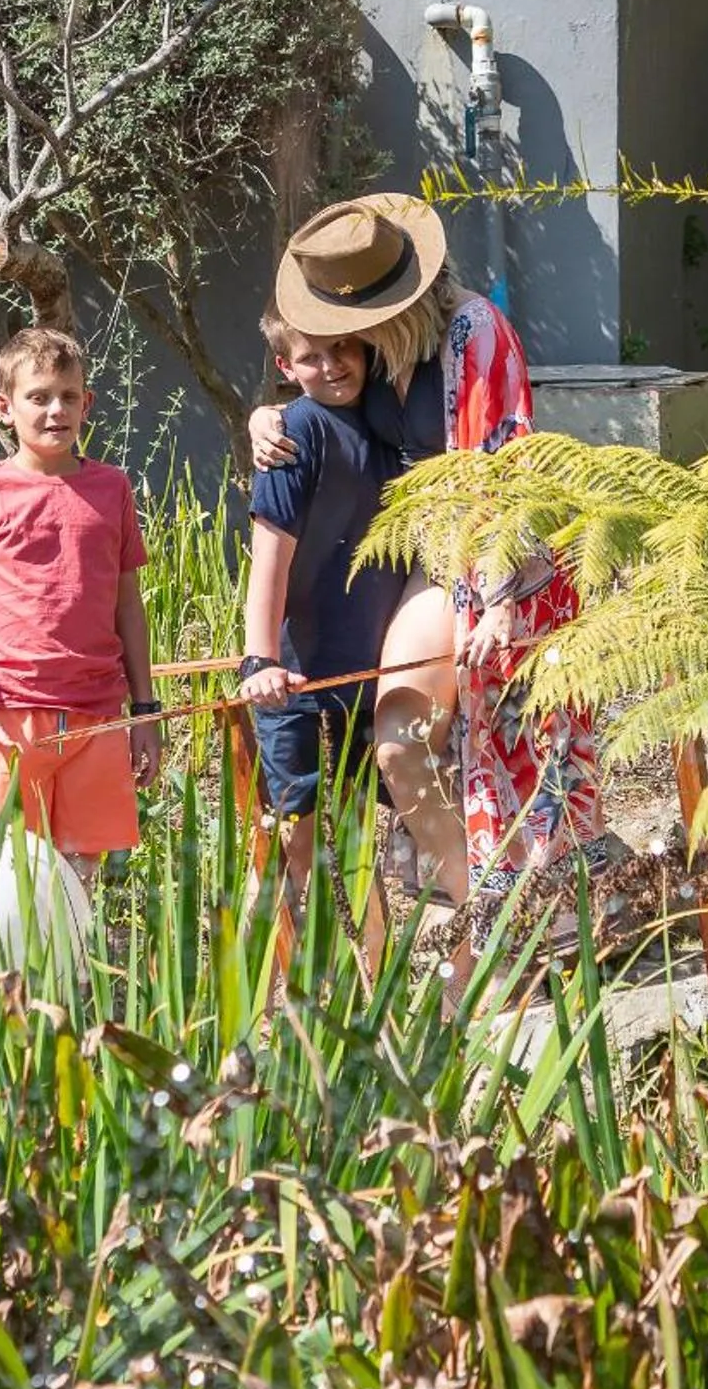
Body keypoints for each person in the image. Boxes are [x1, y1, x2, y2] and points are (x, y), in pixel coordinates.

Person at [245, 193, 598, 921]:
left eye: (350, 325)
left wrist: (499, 598)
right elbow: (320, 402)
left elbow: (506, 463)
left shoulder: (471, 330)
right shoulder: (377, 348)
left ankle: (504, 928)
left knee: (434, 748)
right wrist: (265, 413)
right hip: (428, 565)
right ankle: (486, 919)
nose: (343, 340)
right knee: (401, 746)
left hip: (497, 564)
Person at [0, 326, 162, 879]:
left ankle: (75, 968)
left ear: (88, 403)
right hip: (8, 716)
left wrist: (145, 711)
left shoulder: (113, 490)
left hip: (97, 716)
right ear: (5, 407)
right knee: (2, 876)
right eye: (39, 397)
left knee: (79, 875)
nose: (56, 409)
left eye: (69, 395)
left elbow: (128, 606)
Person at [238, 309, 408, 894]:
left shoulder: (392, 425)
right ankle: (304, 963)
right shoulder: (295, 432)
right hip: (296, 675)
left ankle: (368, 964)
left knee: (364, 832)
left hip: (370, 668)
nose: (332, 366)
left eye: (343, 349)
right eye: (312, 357)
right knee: (298, 829)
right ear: (287, 366)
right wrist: (259, 659)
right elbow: (270, 555)